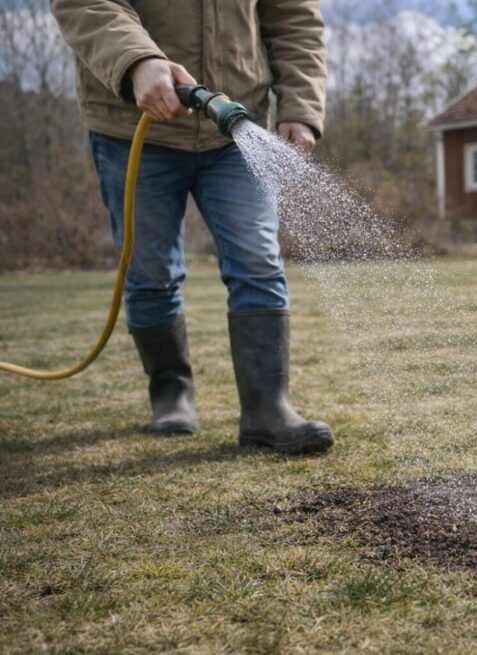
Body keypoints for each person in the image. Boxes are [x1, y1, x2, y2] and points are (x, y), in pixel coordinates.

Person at [49, 0, 334, 455]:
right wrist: (138, 61)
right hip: (134, 123)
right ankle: (171, 392)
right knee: (150, 273)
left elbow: (294, 15)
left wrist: (300, 105)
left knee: (259, 262)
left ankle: (267, 409)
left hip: (234, 122)